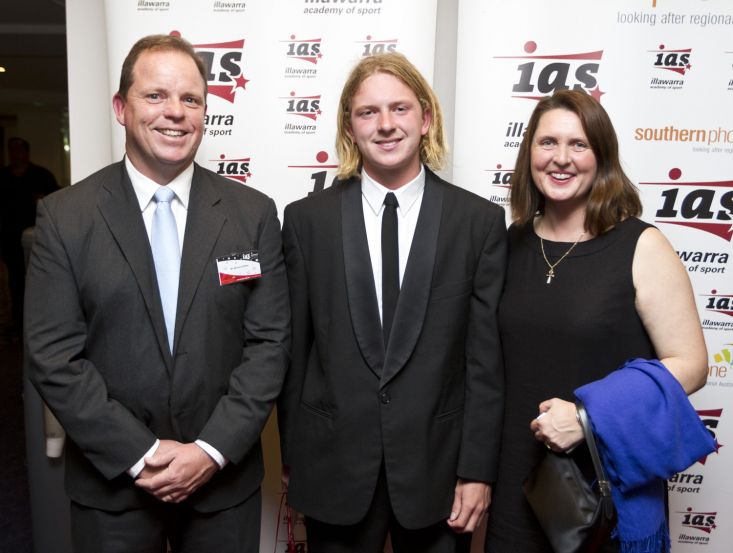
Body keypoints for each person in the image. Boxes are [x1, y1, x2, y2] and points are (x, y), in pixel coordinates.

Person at [24, 34, 290, 553]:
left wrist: (210, 450)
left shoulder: (252, 214)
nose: (175, 112)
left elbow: (270, 344)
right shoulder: (65, 217)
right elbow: (53, 356)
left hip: (223, 487)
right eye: (155, 95)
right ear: (121, 108)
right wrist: (140, 454)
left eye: (191, 99)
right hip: (113, 489)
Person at [278, 52, 506, 552]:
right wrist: (295, 455)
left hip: (439, 472)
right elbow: (294, 352)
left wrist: (477, 470)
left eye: (399, 108)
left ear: (425, 119)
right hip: (333, 468)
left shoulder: (478, 223)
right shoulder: (305, 222)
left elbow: (484, 361)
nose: (385, 125)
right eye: (368, 112)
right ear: (349, 127)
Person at [485, 89, 708, 553]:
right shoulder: (510, 243)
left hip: (605, 487)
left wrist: (587, 418)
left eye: (579, 144)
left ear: (601, 157)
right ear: (529, 153)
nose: (561, 158)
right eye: (548, 142)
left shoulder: (641, 246)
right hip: (516, 486)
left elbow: (691, 364)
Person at [0, 136, 58, 333]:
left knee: (40, 283)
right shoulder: (3, 177)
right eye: (11, 150)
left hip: (39, 240)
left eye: (18, 150)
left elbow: (56, 205)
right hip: (10, 241)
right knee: (15, 283)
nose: (15, 154)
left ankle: (40, 325)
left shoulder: (42, 176)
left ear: (26, 152)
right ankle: (18, 325)